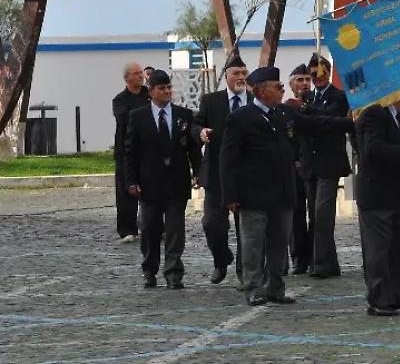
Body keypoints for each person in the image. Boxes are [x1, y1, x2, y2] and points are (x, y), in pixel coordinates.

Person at [220, 66, 355, 306]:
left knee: (278, 244)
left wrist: (349, 122)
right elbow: (228, 159)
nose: (283, 90)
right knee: (253, 244)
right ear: (262, 91)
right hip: (254, 194)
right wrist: (230, 195)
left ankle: (276, 288)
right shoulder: (241, 118)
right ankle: (254, 288)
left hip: (282, 193)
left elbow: (317, 123)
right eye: (278, 87)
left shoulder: (283, 113)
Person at [124, 70, 200, 289]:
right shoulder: (138, 116)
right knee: (149, 228)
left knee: (176, 230)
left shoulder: (183, 114)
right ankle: (150, 269)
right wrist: (131, 181)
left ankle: (174, 272)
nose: (167, 91)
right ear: (151, 91)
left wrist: (197, 172)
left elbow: (193, 148)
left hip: (177, 182)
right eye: (161, 88)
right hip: (149, 183)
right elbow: (130, 151)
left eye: (169, 87)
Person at [355, 97, 400, 316]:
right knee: (379, 251)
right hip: (377, 195)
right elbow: (372, 150)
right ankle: (379, 300)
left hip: (399, 195)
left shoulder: (398, 116)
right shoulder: (373, 113)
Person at [192, 53, 249, 285]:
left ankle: (245, 271)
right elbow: (196, 124)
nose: (241, 77)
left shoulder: (254, 100)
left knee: (246, 228)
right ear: (226, 76)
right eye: (236, 73)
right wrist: (201, 133)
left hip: (247, 175)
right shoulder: (211, 100)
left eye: (244, 73)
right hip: (216, 173)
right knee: (212, 223)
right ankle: (221, 258)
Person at [303, 53, 353, 279]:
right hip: (310, 163)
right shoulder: (306, 97)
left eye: (321, 73)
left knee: (323, 214)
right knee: (314, 215)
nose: (317, 78)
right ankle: (326, 261)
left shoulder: (339, 97)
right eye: (313, 74)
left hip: (329, 163)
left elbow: (333, 119)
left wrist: (311, 116)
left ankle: (322, 263)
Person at [112, 63, 149, 244]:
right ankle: (127, 229)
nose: (140, 76)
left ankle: (155, 226)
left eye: (141, 73)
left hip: (148, 150)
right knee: (125, 191)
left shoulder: (149, 95)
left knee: (152, 189)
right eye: (136, 73)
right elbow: (125, 118)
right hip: (126, 151)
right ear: (127, 78)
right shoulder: (119, 100)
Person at [285, 64, 314, 274]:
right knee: (295, 215)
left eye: (307, 80)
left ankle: (313, 255)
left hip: (313, 165)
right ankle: (298, 257)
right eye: (300, 80)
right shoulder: (287, 106)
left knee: (315, 214)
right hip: (293, 168)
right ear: (291, 84)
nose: (304, 84)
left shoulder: (316, 104)